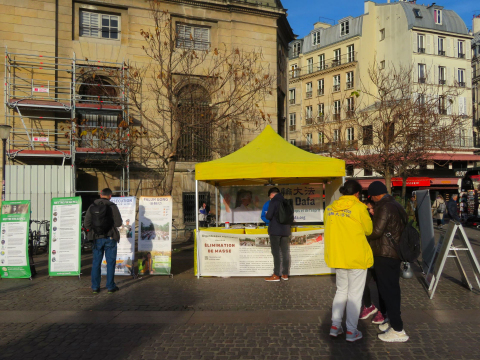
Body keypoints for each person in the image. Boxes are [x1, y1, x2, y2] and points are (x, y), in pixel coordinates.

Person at [324, 180, 373, 342]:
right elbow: (368, 230)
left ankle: (335, 326)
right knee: (354, 295)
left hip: (339, 256)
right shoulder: (359, 208)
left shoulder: (329, 209)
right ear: (357, 194)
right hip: (357, 257)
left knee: (341, 291)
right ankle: (351, 331)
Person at [367, 181, 409, 342]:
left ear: (376, 195)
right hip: (393, 253)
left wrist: (362, 230)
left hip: (385, 253)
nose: (372, 199)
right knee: (391, 290)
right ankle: (392, 323)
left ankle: (398, 330)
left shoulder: (384, 207)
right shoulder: (396, 204)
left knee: (389, 292)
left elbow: (376, 231)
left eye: (372, 196)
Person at [85, 188, 123, 294]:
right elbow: (118, 223)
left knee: (96, 262)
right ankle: (110, 287)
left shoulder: (92, 206)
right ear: (110, 196)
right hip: (110, 237)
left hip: (96, 238)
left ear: (101, 195)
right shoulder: (112, 206)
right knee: (110, 262)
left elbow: (86, 223)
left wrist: (94, 229)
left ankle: (95, 287)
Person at [360, 199, 385, 325]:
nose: (370, 211)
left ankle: (383, 311)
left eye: (372, 208)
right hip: (368, 257)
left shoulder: (381, 219)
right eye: (368, 209)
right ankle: (369, 305)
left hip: (380, 256)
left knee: (382, 286)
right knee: (362, 283)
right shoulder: (365, 219)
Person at [265, 187, 291, 282]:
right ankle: (285, 274)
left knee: (276, 253)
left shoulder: (274, 201)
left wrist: (269, 213)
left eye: (270, 196)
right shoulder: (286, 201)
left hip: (275, 231)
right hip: (286, 230)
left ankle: (276, 274)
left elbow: (268, 216)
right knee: (285, 252)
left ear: (272, 194)